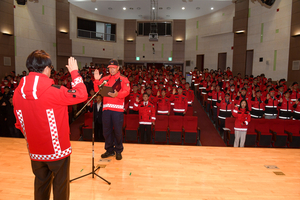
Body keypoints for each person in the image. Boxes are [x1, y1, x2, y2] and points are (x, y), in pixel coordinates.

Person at [13, 50, 88, 200]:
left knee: (41, 184)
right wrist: (74, 72)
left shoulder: (17, 93)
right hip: (57, 150)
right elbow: (82, 94)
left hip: (35, 151)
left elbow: (20, 123)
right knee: (60, 186)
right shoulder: (55, 92)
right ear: (47, 68)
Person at [93, 59, 130, 160]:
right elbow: (97, 90)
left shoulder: (123, 79)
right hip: (106, 110)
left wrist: (117, 94)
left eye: (113, 68)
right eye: (110, 68)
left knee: (118, 131)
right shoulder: (105, 79)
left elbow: (127, 92)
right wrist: (96, 80)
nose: (112, 70)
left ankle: (118, 150)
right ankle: (109, 150)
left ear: (118, 68)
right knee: (106, 131)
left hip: (117, 111)